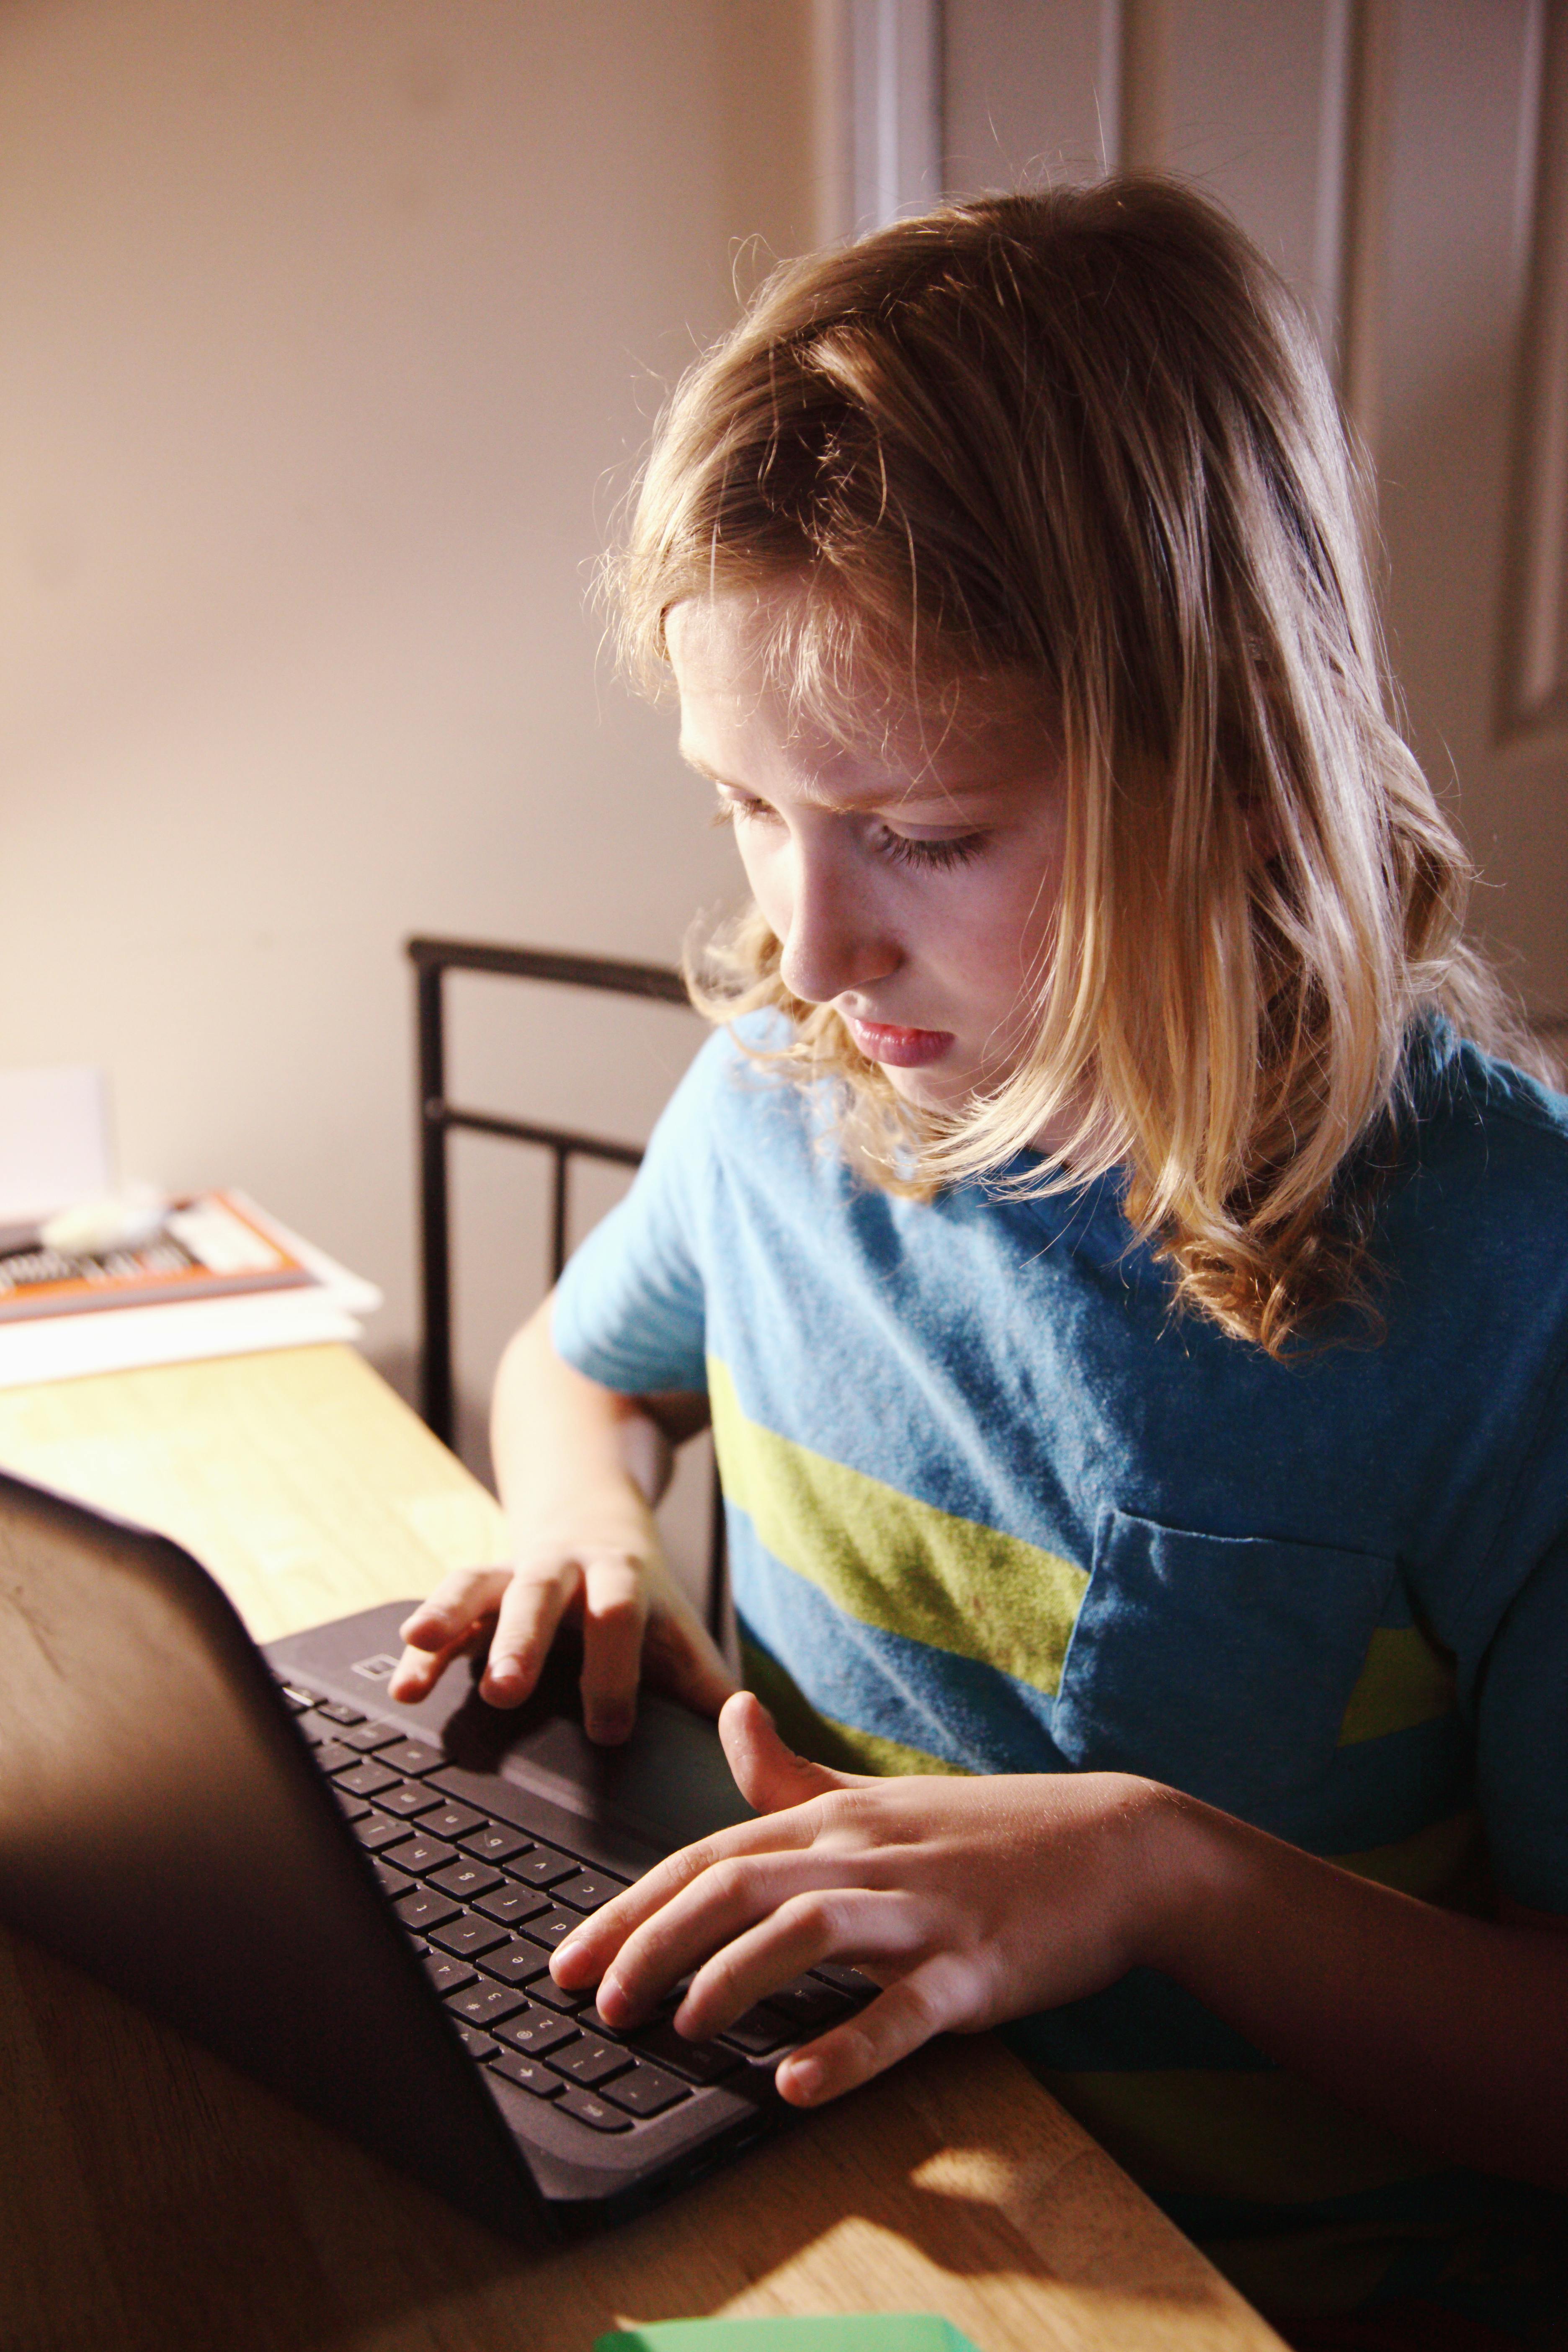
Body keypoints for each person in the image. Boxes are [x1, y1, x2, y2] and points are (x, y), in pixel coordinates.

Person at [391, 179, 1568, 2345]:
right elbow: (574, 1362)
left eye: (923, 835)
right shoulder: (786, 1096)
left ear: (1224, 764)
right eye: (747, 805)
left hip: (1267, 2287)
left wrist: (1160, 1874)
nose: (812, 951)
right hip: (845, 2157)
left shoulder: (1511, 1273)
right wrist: (586, 1538)